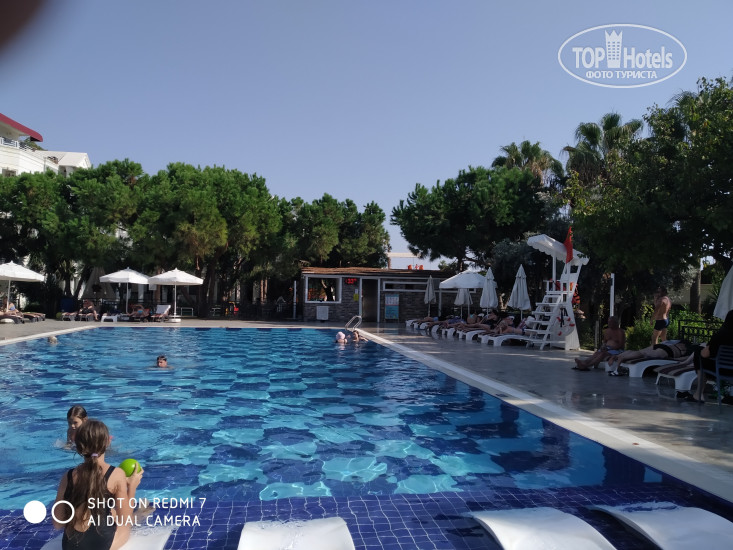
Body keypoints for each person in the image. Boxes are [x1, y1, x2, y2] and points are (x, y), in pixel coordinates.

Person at [53, 419, 143, 550]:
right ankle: (142, 514)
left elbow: (58, 523)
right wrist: (132, 487)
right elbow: (125, 519)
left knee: (110, 511)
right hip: (101, 545)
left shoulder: (68, 476)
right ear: (107, 442)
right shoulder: (116, 474)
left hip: (71, 546)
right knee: (125, 525)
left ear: (78, 445)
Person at [688, 309, 733, 403]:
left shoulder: (720, 335)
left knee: (698, 355)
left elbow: (705, 354)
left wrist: (701, 349)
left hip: (721, 369)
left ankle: (698, 394)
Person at [606, 339, 694, 376]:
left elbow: (667, 341)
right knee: (643, 354)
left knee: (640, 351)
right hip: (667, 351)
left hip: (662, 346)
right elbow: (685, 359)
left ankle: (617, 356)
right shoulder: (691, 350)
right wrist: (674, 360)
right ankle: (620, 363)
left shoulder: (680, 341)